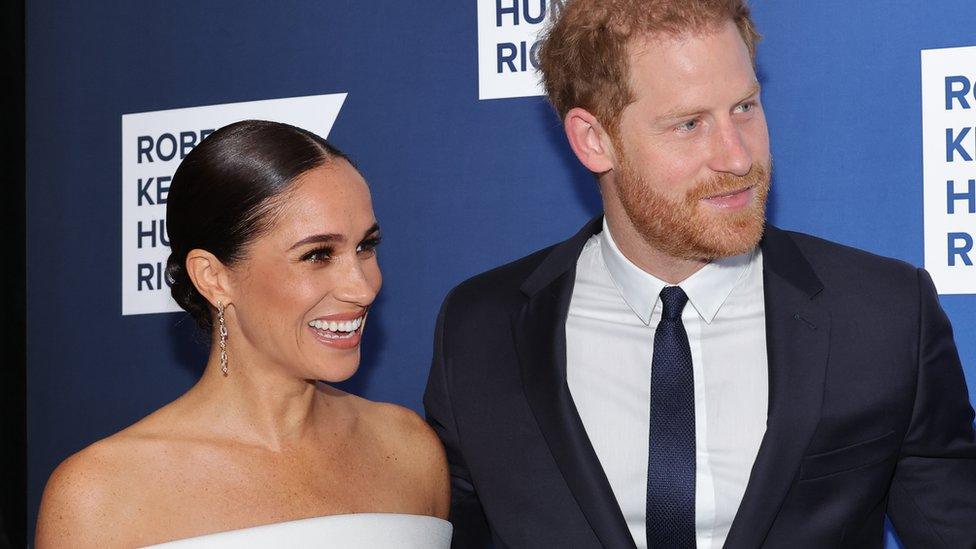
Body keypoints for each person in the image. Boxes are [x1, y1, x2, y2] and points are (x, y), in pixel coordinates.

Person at [424, 1, 976, 548]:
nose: (737, 157)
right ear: (594, 139)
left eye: (744, 108)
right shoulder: (480, 331)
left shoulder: (884, 314)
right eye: (689, 124)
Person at [36, 121, 451, 548]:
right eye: (317, 255)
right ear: (213, 277)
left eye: (365, 246)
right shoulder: (99, 495)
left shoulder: (409, 452)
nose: (362, 287)